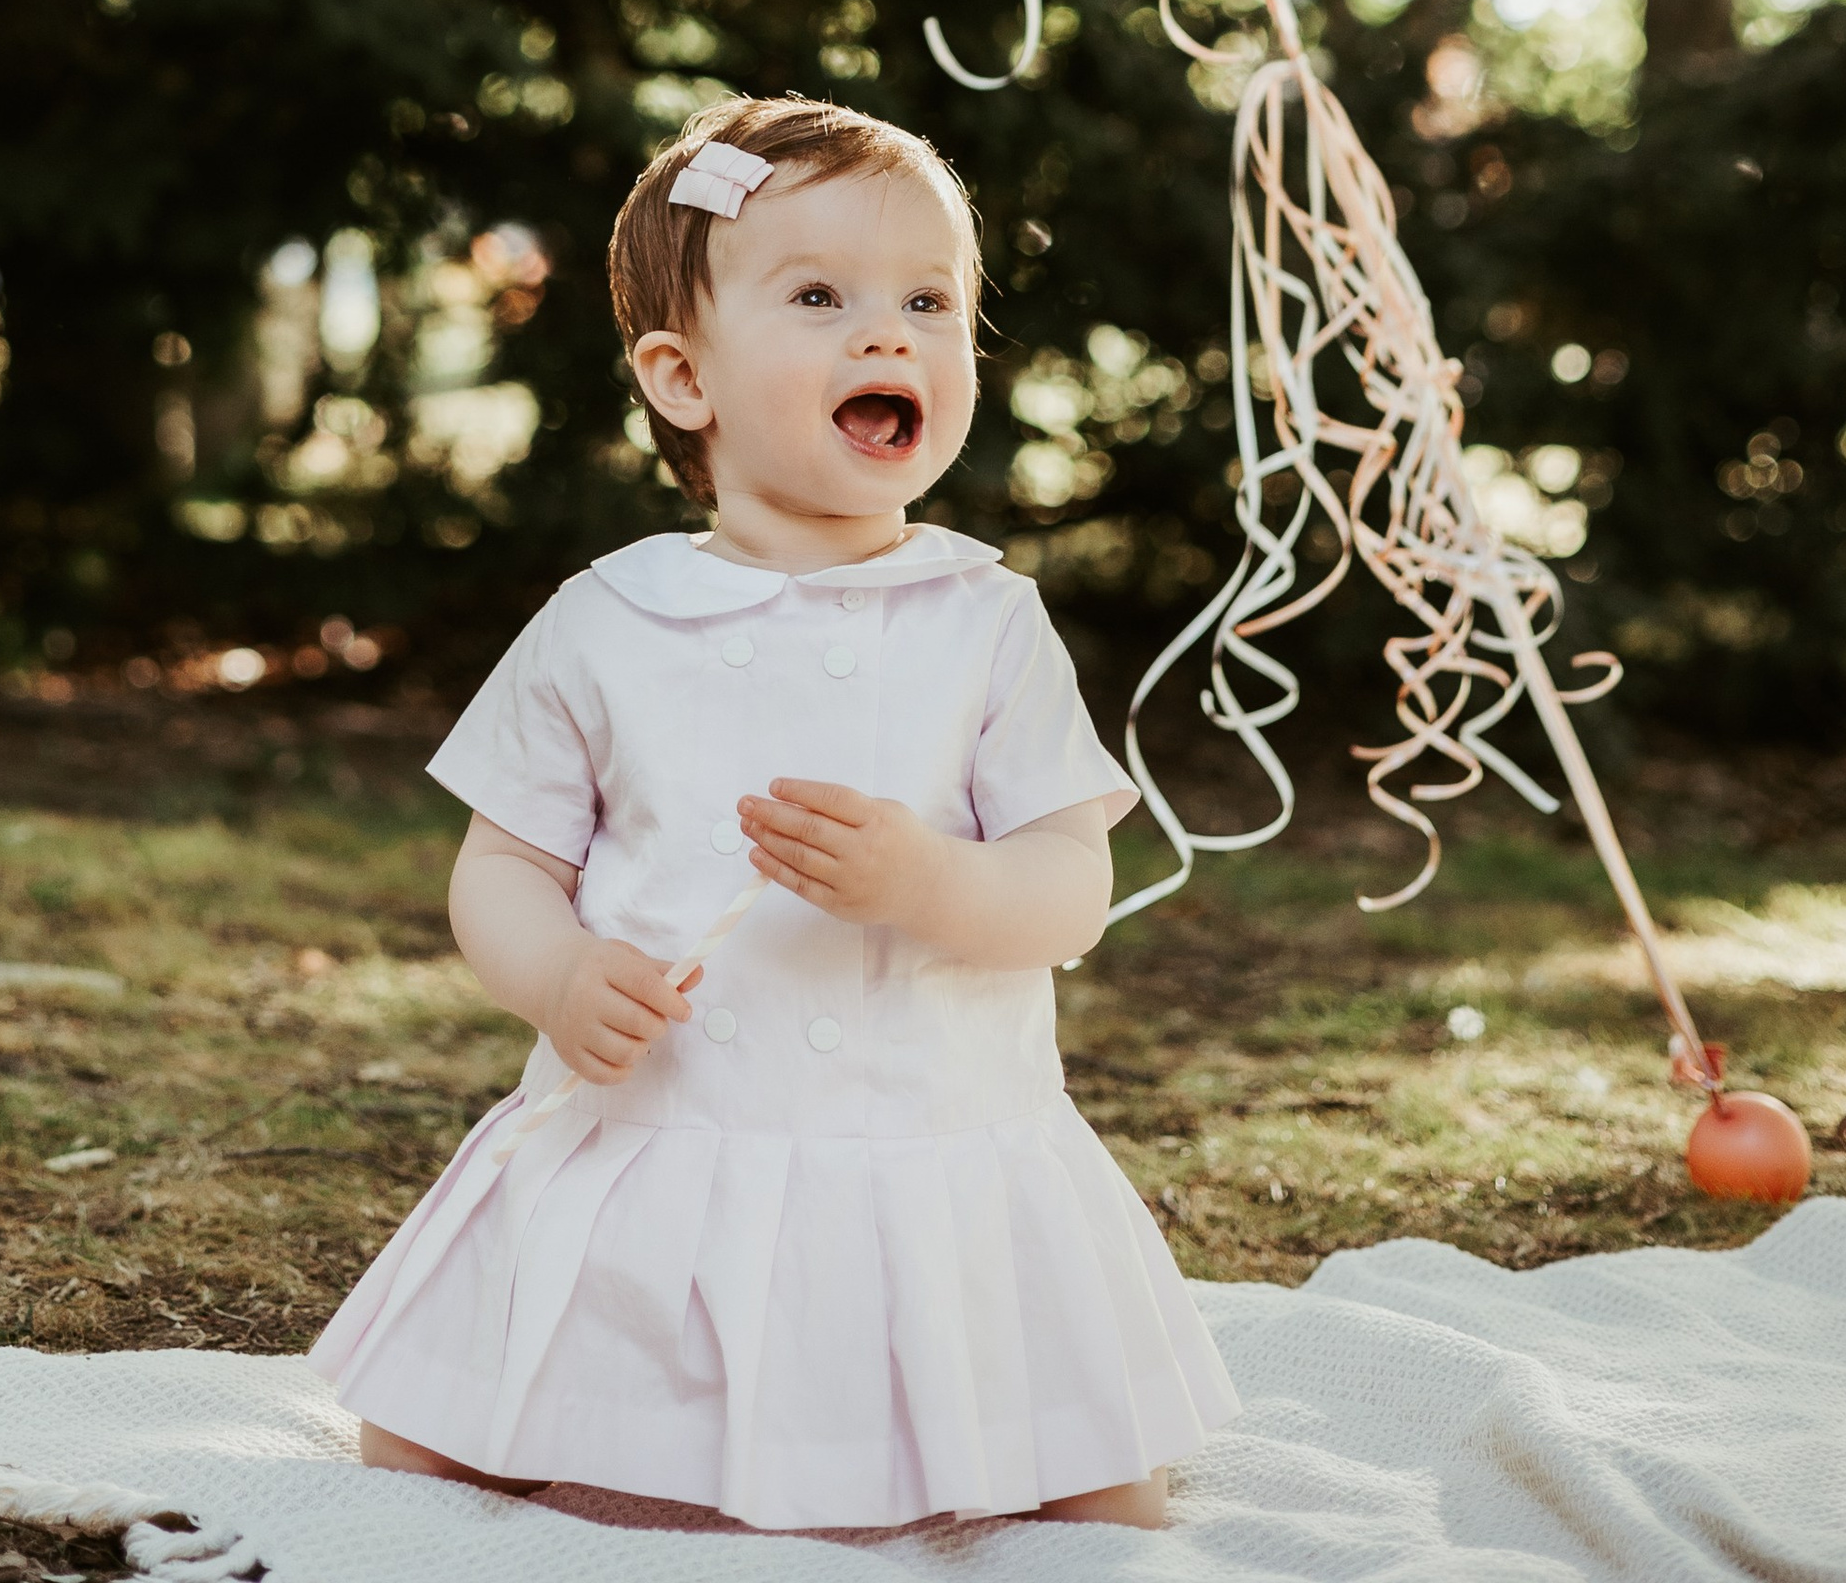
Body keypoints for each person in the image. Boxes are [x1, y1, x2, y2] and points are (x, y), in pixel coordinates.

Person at [311, 93, 1240, 1531]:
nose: (890, 333)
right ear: (683, 375)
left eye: (930, 299)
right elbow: (501, 863)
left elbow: (1070, 884)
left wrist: (935, 881)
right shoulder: (608, 618)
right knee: (421, 1450)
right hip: (670, 1124)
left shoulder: (987, 619)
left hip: (935, 1133)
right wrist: (556, 970)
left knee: (1105, 1495)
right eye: (820, 295)